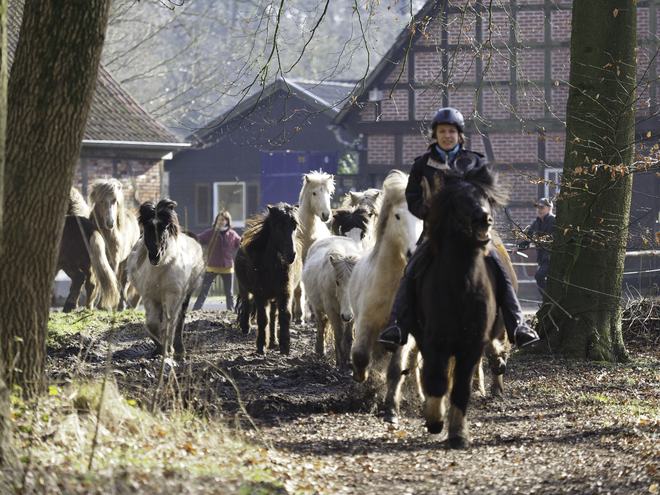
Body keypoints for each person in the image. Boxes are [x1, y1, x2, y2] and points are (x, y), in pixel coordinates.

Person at [376, 107, 540, 350]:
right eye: (442, 131)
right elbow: (413, 198)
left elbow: (488, 195)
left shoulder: (474, 161)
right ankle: (397, 325)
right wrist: (431, 214)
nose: (447, 136)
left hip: (473, 232)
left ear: (459, 135)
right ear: (436, 135)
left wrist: (480, 220)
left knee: (498, 266)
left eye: (451, 131)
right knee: (411, 270)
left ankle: (518, 324)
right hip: (436, 231)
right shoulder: (422, 165)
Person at [192, 211, 242, 311]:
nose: (220, 221)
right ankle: (195, 311)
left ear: (227, 221)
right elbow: (199, 239)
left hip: (227, 267)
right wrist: (190, 238)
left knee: (229, 294)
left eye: (223, 220)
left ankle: (231, 311)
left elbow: (240, 244)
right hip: (212, 266)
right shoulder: (210, 233)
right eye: (219, 219)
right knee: (203, 292)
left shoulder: (232, 234)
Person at [517, 197, 556, 296]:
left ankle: (547, 299)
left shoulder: (555, 221)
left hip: (554, 258)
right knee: (541, 277)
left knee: (539, 275)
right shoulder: (536, 223)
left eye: (542, 208)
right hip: (543, 259)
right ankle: (547, 300)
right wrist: (517, 248)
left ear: (549, 209)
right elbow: (527, 240)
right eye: (538, 207)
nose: (539, 210)